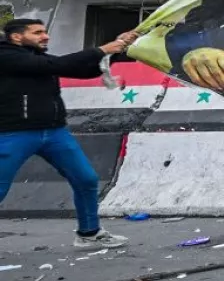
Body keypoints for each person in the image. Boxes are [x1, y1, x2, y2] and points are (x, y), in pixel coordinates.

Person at [0, 20, 137, 249]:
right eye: (37, 33)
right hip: (14, 134)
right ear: (16, 37)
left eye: (45, 31)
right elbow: (57, 64)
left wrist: (118, 49)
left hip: (54, 132)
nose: (45, 36)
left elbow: (80, 69)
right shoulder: (6, 56)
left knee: (86, 179)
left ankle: (89, 233)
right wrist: (104, 49)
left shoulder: (39, 58)